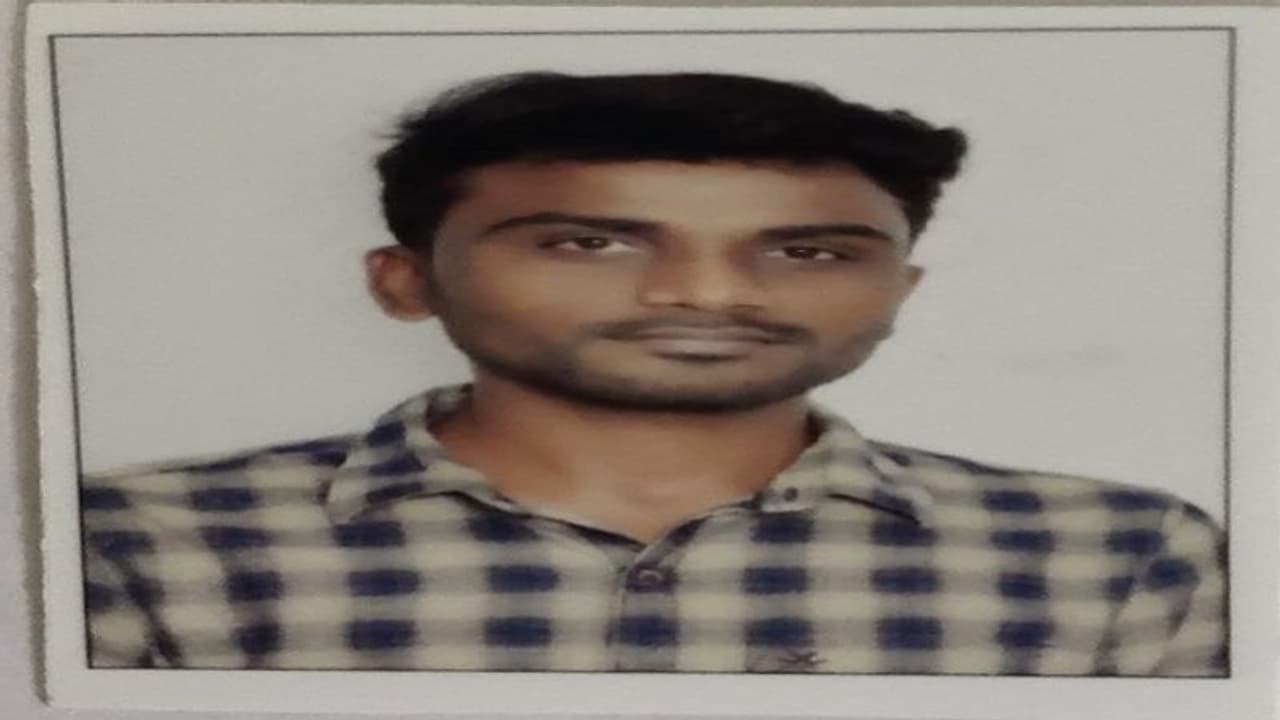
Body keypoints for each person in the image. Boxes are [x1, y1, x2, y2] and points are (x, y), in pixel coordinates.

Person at [80, 71, 1226, 676]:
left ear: (898, 288)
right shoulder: (137, 546)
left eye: (806, 252)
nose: (703, 294)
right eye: (591, 243)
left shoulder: (1115, 558)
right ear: (406, 281)